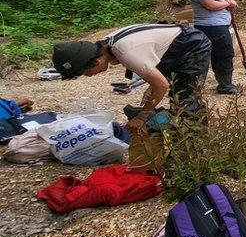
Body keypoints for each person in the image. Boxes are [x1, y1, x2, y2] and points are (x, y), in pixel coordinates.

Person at [51, 23, 213, 170]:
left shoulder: (125, 51)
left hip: (192, 45)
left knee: (186, 100)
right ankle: (182, 145)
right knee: (170, 95)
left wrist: (142, 116)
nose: (89, 76)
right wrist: (151, 86)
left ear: (94, 61)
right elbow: (153, 54)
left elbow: (162, 85)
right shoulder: (108, 45)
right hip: (174, 47)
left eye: (86, 73)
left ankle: (195, 154)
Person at [183, 0, 242, 95]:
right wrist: (228, 3)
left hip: (215, 25)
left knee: (219, 54)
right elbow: (211, 5)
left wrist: (224, 1)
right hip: (212, 27)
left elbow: (214, 0)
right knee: (224, 53)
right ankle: (225, 86)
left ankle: (223, 83)